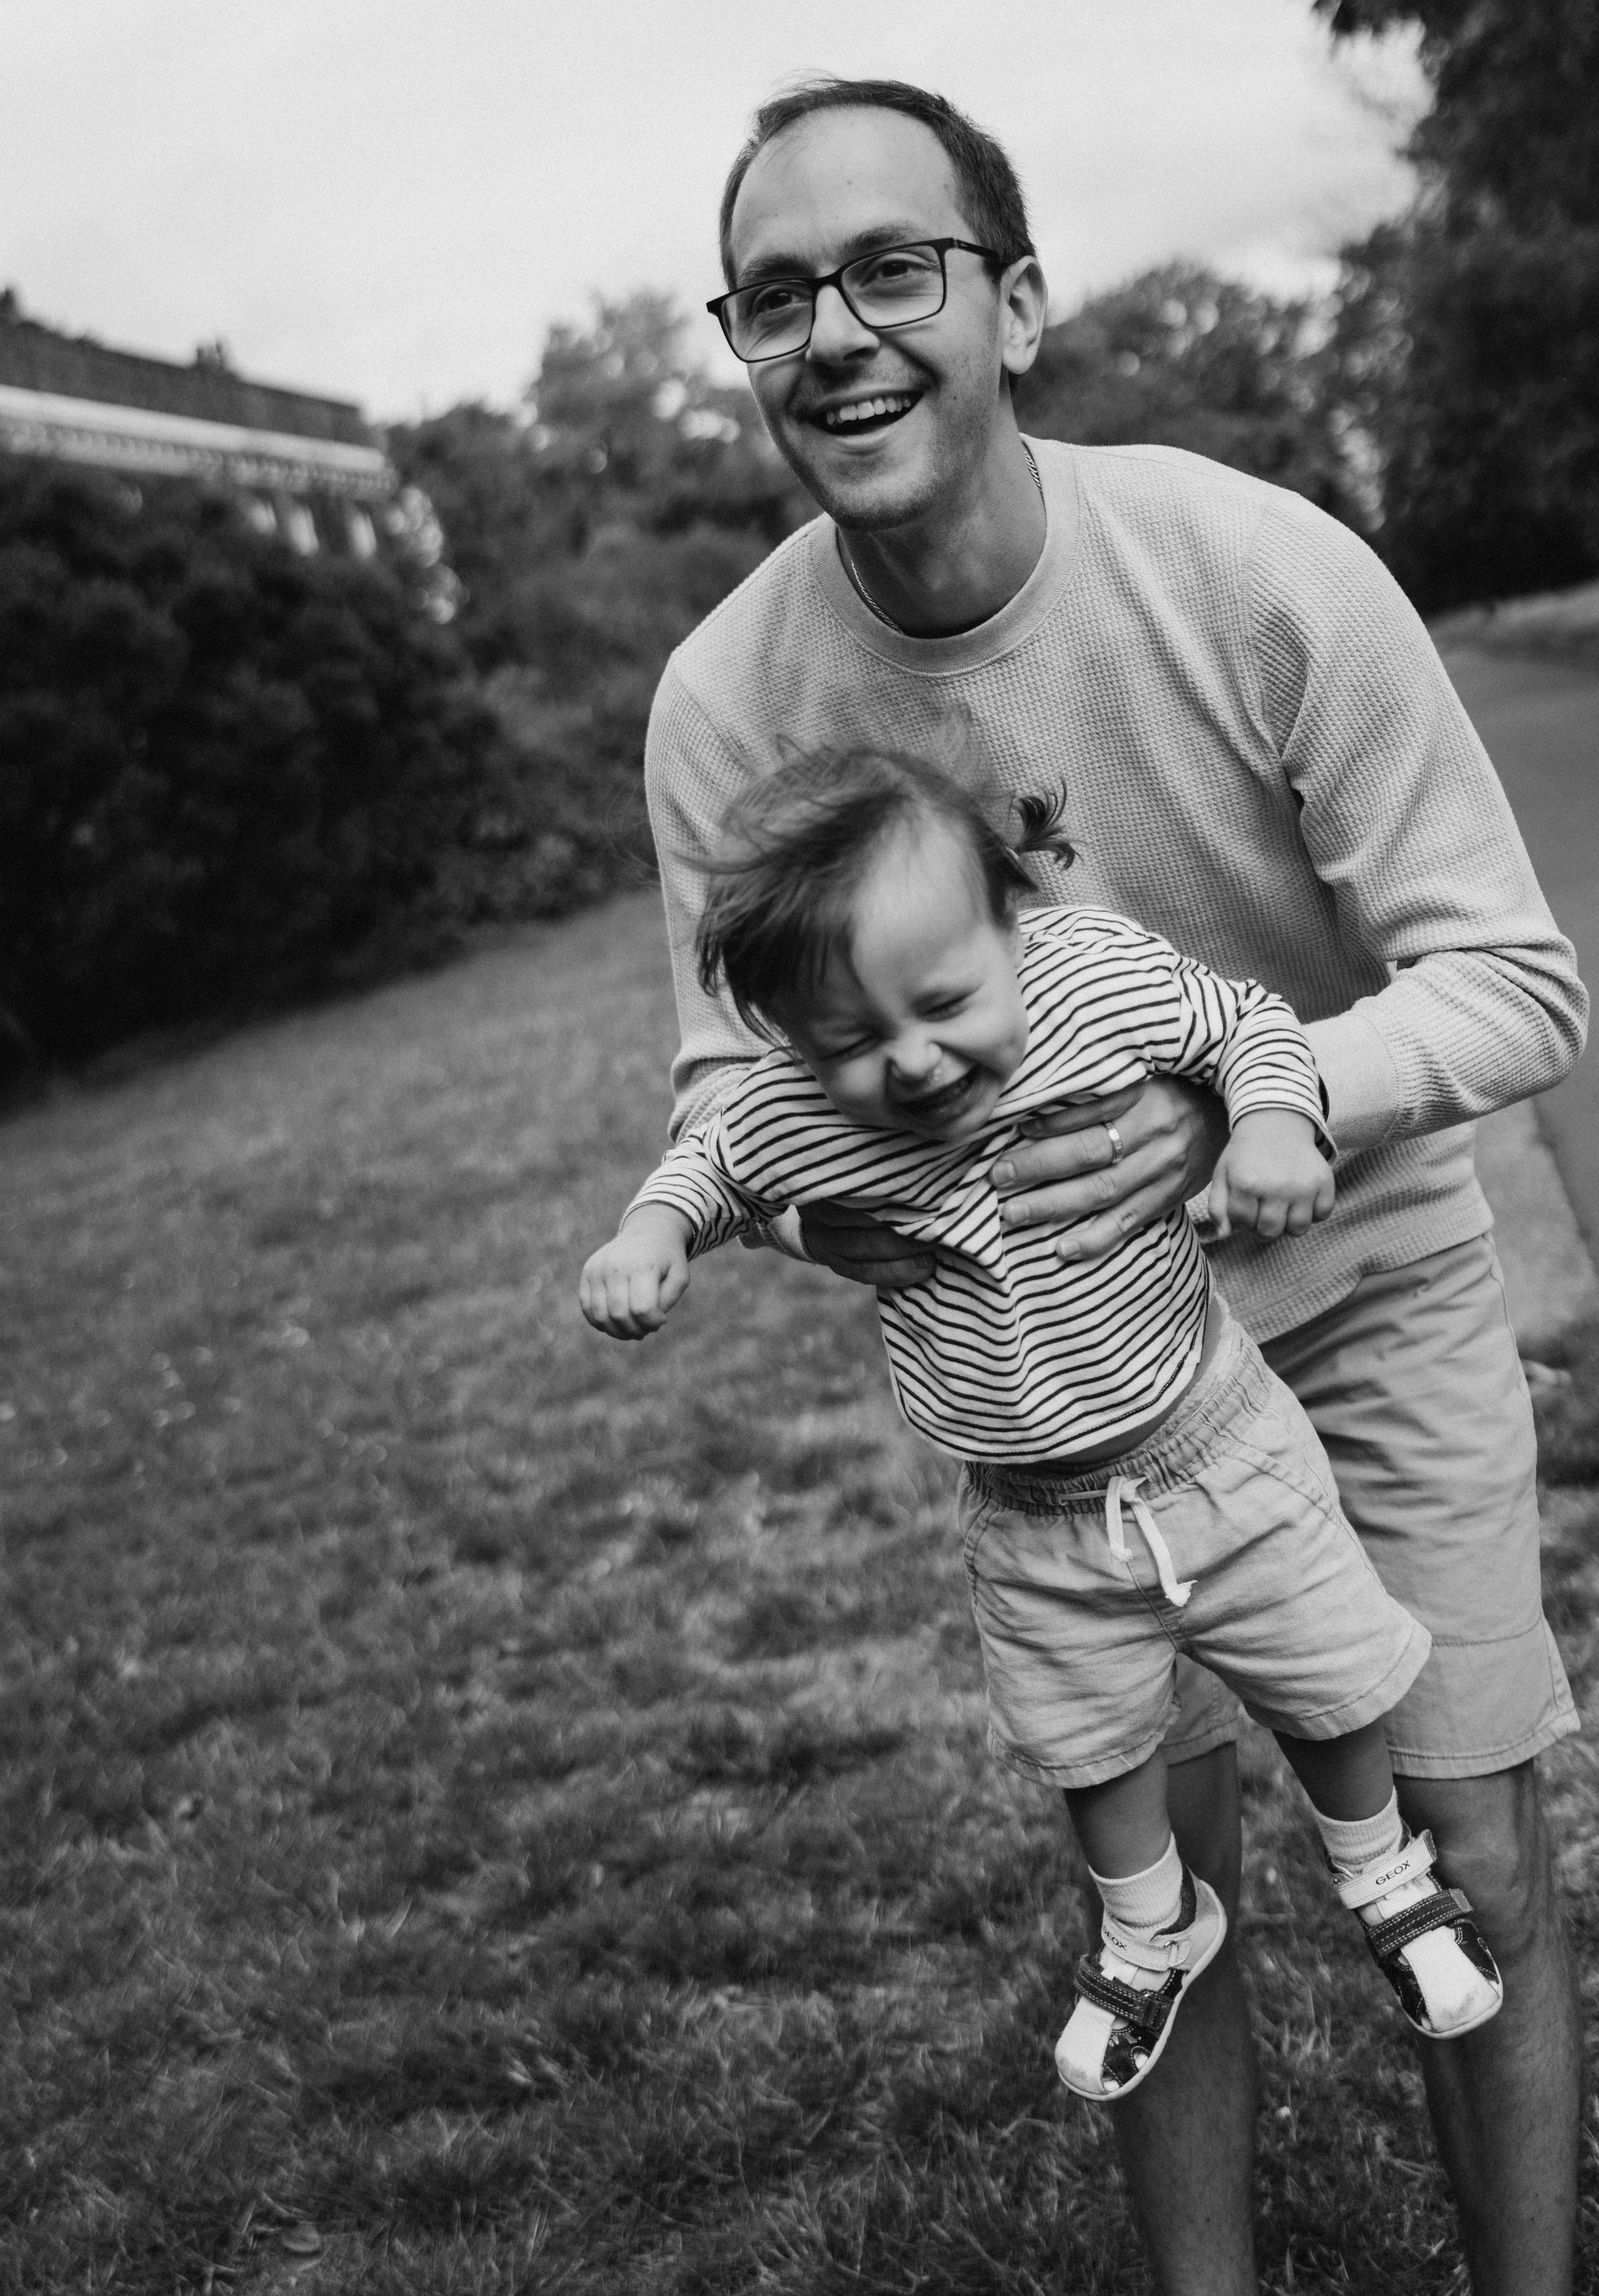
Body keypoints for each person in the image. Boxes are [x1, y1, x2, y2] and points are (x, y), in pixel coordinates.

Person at [640, 76, 1588, 2295]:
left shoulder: (1248, 565)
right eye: (778, 298)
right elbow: (725, 1086)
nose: (839, 334)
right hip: (1062, 1387)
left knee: (1473, 1831)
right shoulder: (726, 701)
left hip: (1350, 1275)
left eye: (897, 268)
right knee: (1150, 1880)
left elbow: (1519, 983)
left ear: (1020, 303)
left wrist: (1242, 1114)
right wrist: (802, 1191)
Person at [582, 747, 1506, 2100]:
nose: (910, 1060)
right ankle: (1151, 1926)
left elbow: (1246, 1026)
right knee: (1090, 1741)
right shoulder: (788, 1100)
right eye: (851, 1041)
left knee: (1330, 1672)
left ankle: (1383, 1869)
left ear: (1012, 927)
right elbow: (711, 1158)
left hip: (1212, 1442)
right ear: (792, 1037)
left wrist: (1269, 1127)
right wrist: (650, 1233)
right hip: (1029, 1511)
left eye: (945, 1001)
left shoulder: (1092, 979)